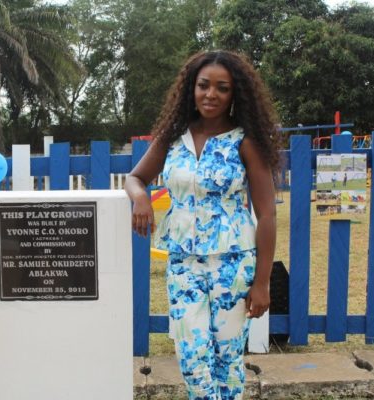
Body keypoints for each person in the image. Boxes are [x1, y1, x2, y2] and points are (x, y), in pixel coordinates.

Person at [125, 50, 279, 400]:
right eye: (203, 86)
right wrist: (140, 198)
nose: (211, 94)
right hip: (184, 265)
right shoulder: (172, 138)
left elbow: (267, 215)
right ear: (190, 89)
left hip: (233, 264)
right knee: (192, 358)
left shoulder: (245, 141)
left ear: (234, 93)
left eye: (222, 88)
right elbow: (135, 177)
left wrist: (262, 283)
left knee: (227, 363)